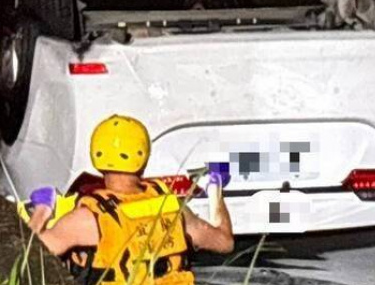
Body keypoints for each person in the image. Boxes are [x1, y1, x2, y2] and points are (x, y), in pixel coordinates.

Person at [25, 115, 234, 285]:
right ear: (144, 156)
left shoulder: (87, 220)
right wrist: (215, 188)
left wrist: (43, 208)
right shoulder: (171, 207)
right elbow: (225, 242)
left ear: (96, 156)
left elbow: (26, 256)